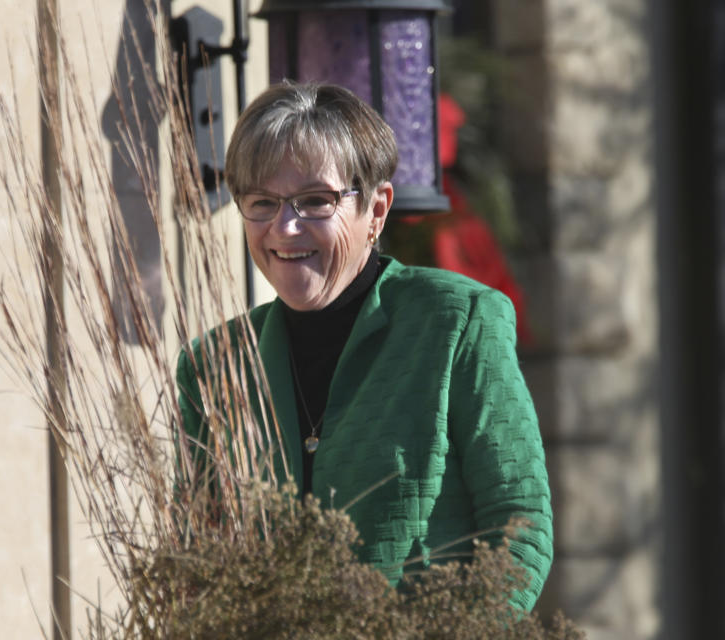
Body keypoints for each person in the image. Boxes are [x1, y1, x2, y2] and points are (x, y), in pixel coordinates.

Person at [176, 81, 552, 611]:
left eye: (314, 200)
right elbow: (196, 562)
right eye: (262, 202)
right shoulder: (213, 366)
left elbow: (520, 524)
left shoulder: (456, 322)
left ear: (376, 209)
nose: (285, 227)